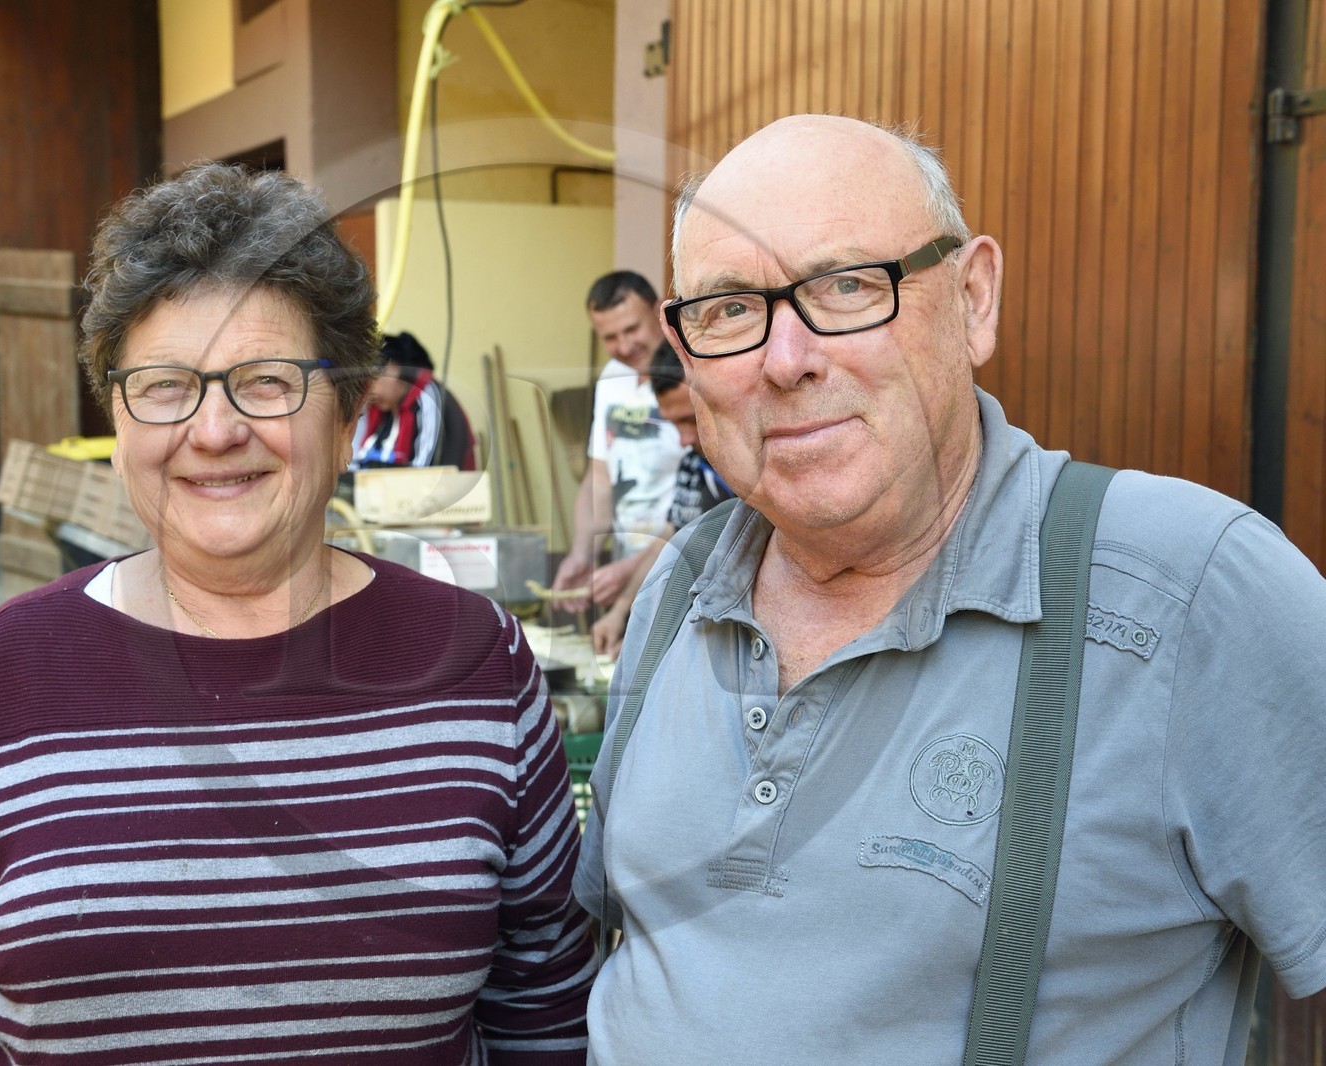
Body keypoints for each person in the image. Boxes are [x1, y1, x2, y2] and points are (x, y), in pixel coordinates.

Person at [573, 115, 1326, 1064]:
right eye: (728, 310)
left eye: (848, 286)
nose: (785, 358)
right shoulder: (680, 587)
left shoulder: (1194, 590)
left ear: (973, 299)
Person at [0, 163, 595, 1065]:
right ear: (119, 419)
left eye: (266, 381)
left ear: (347, 412)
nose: (215, 428)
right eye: (164, 384)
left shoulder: (480, 664)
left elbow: (546, 1014)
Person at [549, 271, 685, 612]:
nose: (624, 346)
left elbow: (710, 499)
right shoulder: (611, 378)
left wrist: (635, 571)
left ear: (658, 312)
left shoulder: (687, 370)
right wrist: (583, 553)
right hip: (630, 566)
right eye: (610, 337)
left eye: (632, 329)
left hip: (686, 562)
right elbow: (598, 479)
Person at [590, 340, 733, 657]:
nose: (683, 439)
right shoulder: (693, 463)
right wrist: (620, 613)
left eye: (688, 419)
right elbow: (671, 540)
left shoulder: (750, 472)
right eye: (673, 424)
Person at [348, 330, 476, 471]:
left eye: (375, 376)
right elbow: (363, 460)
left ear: (397, 370)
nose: (369, 386)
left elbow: (422, 472)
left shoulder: (428, 396)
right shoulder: (384, 410)